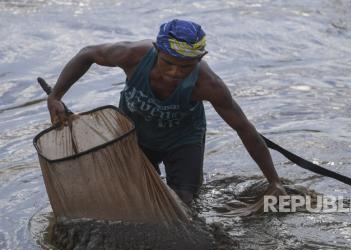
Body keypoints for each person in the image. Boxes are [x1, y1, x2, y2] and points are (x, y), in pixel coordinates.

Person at [47, 19, 285, 212]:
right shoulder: (132, 55)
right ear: (157, 50)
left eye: (185, 67)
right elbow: (87, 53)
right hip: (134, 135)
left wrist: (273, 181)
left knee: (184, 204)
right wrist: (56, 96)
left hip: (183, 140)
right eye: (168, 63)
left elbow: (244, 128)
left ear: (200, 59)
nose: (174, 73)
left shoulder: (208, 85)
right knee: (133, 195)